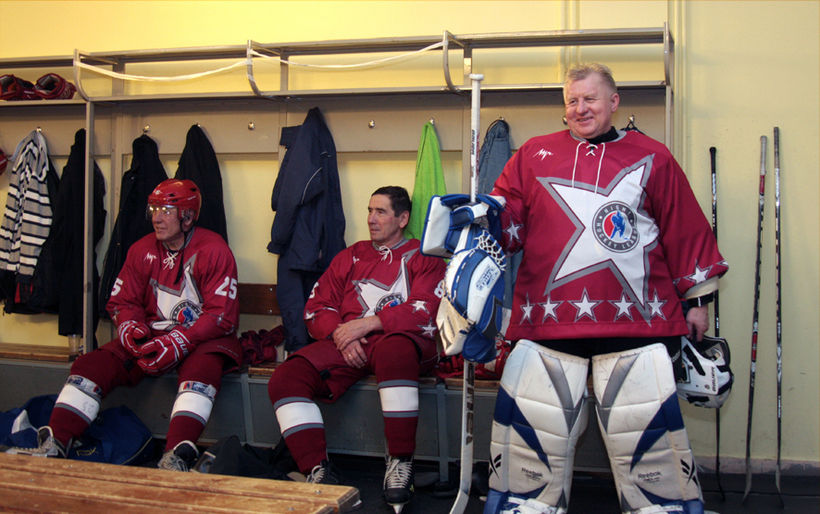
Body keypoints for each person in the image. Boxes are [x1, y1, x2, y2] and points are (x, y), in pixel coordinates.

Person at [475, 63, 728, 513]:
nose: (580, 108)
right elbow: (507, 222)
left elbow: (684, 228)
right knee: (533, 437)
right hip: (548, 320)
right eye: (572, 100)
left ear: (614, 102)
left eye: (590, 98)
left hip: (637, 323)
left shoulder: (652, 156)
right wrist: (480, 218)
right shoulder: (532, 155)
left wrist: (698, 303)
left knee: (648, 438)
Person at [5, 179, 242, 472]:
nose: (156, 218)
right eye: (154, 209)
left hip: (200, 340)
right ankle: (56, 442)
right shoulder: (141, 249)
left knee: (203, 369)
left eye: (166, 210)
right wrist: (129, 326)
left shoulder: (214, 249)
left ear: (188, 216)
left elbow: (221, 315)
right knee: (92, 364)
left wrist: (181, 340)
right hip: (155, 336)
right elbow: (123, 301)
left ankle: (176, 455)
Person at [267, 186, 445, 509]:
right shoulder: (351, 255)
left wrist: (368, 324)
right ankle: (317, 469)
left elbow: (425, 310)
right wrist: (342, 334)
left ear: (403, 218)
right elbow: (316, 307)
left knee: (395, 350)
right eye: (369, 211)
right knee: (286, 377)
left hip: (398, 344)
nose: (371, 219)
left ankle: (400, 462)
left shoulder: (425, 256)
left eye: (381, 212)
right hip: (349, 342)